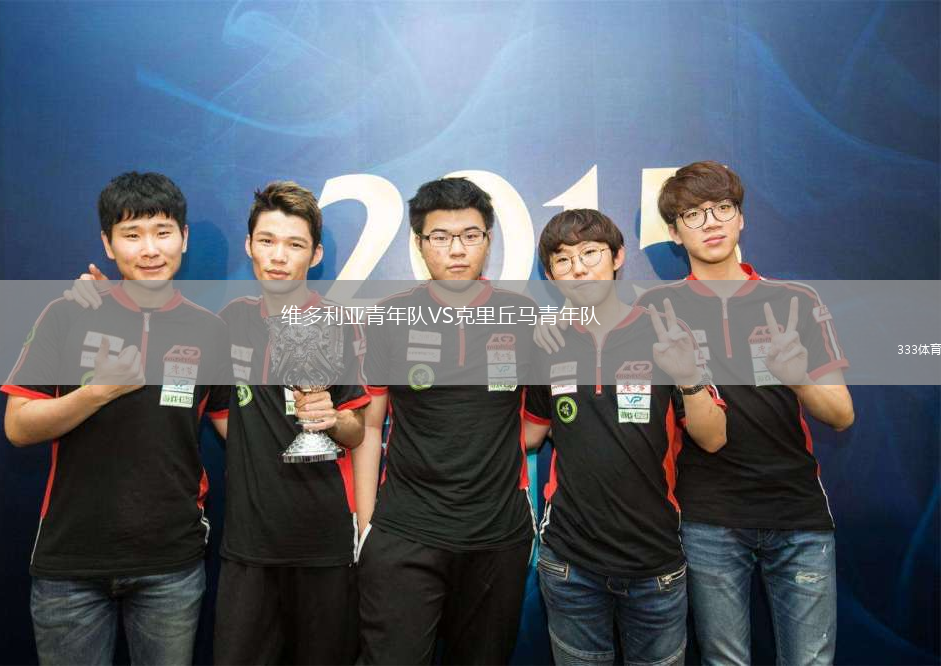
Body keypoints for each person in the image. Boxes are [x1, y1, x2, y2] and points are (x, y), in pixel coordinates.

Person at [537, 161, 854, 665]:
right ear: (674, 231)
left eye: (722, 208)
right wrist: (551, 324)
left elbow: (841, 415)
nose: (710, 223)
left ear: (741, 218)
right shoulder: (656, 309)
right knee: (723, 660)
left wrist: (798, 375)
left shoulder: (793, 301)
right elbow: (591, 319)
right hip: (707, 515)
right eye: (692, 214)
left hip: (797, 511)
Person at [65, 181, 370, 665]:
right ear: (249, 246)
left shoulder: (339, 323)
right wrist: (108, 301)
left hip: (324, 542)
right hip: (247, 545)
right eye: (267, 241)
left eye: (294, 245)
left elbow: (357, 431)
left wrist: (332, 420)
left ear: (315, 256)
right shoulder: (225, 324)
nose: (278, 256)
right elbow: (217, 412)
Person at [1, 172, 232, 665]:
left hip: (171, 564)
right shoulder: (68, 314)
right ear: (108, 244)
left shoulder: (211, 332)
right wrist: (97, 392)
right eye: (131, 234)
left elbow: (235, 429)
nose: (149, 249)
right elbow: (18, 427)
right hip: (71, 565)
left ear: (184, 238)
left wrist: (326, 421)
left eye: (162, 232)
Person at [523, 208, 727, 666]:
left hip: (654, 565)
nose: (578, 268)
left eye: (590, 253)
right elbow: (531, 432)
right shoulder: (548, 343)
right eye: (563, 260)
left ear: (617, 257)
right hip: (570, 564)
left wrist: (688, 377)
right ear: (551, 275)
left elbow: (713, 437)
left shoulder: (664, 331)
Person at [354, 177, 537, 665]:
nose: (456, 249)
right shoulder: (390, 316)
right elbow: (369, 427)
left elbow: (537, 425)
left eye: (470, 235)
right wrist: (367, 526)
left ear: (488, 241)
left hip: (497, 535)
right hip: (406, 531)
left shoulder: (523, 316)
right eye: (440, 236)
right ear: (419, 243)